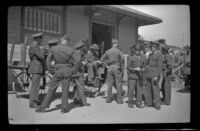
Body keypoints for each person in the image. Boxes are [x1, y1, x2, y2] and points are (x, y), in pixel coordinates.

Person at [35, 35, 78, 113]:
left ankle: (43, 107)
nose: (68, 42)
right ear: (66, 41)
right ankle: (64, 108)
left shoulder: (54, 49)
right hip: (67, 70)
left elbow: (48, 60)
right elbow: (76, 62)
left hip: (57, 71)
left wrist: (51, 70)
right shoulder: (71, 50)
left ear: (61, 40)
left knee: (51, 89)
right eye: (68, 41)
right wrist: (73, 71)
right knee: (65, 89)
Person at [100, 39, 125, 104]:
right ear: (115, 43)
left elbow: (102, 59)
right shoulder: (119, 51)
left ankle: (108, 99)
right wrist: (120, 64)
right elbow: (122, 58)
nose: (117, 44)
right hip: (117, 68)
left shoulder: (108, 51)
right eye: (117, 43)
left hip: (110, 68)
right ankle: (119, 100)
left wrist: (106, 65)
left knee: (110, 84)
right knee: (118, 84)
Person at [144, 41, 163, 110]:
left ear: (155, 47)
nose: (150, 48)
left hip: (154, 73)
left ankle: (158, 104)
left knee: (155, 89)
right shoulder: (150, 54)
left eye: (151, 47)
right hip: (148, 73)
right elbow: (147, 63)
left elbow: (159, 66)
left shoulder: (159, 55)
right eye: (150, 47)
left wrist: (156, 75)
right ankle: (149, 103)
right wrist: (146, 57)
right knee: (148, 89)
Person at [127, 44, 147, 108]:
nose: (137, 52)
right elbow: (128, 67)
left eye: (139, 50)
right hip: (132, 76)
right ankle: (130, 103)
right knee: (131, 90)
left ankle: (139, 103)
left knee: (139, 90)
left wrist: (143, 69)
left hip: (140, 76)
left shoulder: (143, 57)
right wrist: (134, 69)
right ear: (134, 50)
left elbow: (145, 66)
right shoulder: (130, 57)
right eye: (136, 50)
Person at [28, 32, 45, 108]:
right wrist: (44, 51)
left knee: (35, 85)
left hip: (35, 67)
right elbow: (41, 56)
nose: (42, 40)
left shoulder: (35, 46)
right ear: (37, 39)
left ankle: (35, 100)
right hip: (36, 67)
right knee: (35, 86)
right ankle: (33, 103)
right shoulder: (35, 46)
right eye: (41, 38)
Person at [72, 40, 91, 106]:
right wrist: (82, 64)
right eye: (83, 47)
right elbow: (78, 62)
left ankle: (76, 99)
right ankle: (83, 101)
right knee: (81, 86)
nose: (84, 48)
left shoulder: (74, 52)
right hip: (79, 72)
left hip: (74, 71)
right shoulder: (79, 52)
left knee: (77, 86)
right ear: (80, 47)